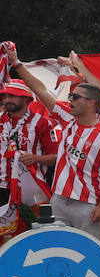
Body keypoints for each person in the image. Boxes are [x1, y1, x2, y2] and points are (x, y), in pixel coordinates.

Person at [4, 46, 100, 237]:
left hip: (88, 205)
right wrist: (16, 62)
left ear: (92, 103)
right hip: (59, 201)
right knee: (57, 251)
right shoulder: (67, 118)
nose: (70, 99)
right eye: (71, 96)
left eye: (76, 97)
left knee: (88, 254)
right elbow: (39, 89)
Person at [0, 78, 58, 212]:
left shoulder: (41, 123)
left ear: (26, 99)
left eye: (12, 95)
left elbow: (58, 158)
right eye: (5, 96)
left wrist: (36, 159)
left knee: (32, 231)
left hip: (32, 191)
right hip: (2, 188)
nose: (7, 99)